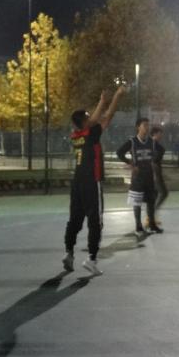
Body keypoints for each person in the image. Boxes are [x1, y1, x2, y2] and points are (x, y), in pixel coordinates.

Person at [63, 85, 127, 277]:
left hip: (77, 183)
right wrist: (114, 97)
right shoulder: (90, 134)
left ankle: (69, 253)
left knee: (74, 220)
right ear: (84, 122)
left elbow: (95, 119)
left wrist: (103, 102)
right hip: (92, 181)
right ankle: (91, 259)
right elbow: (107, 116)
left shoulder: (76, 136)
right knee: (95, 222)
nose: (92, 117)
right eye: (88, 117)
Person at [117, 117, 162, 237]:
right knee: (137, 202)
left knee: (151, 201)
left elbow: (161, 151)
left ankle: (152, 225)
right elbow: (119, 153)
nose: (147, 127)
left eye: (148, 125)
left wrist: (154, 162)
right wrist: (130, 163)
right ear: (138, 127)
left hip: (149, 176)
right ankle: (138, 226)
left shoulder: (151, 142)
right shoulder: (132, 141)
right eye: (144, 125)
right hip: (138, 177)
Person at [151, 125, 169, 212]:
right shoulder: (152, 145)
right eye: (159, 133)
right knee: (163, 192)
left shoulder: (157, 146)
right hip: (154, 172)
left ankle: (151, 214)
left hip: (156, 171)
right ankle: (152, 212)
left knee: (155, 193)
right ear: (154, 134)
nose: (161, 135)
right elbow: (153, 159)